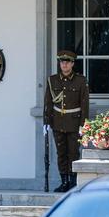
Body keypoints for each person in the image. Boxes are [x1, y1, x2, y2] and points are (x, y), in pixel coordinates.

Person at [44, 49, 89, 193]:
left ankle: (73, 182)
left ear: (72, 64)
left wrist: (83, 124)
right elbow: (48, 103)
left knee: (73, 153)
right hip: (58, 122)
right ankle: (64, 182)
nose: (64, 65)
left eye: (67, 62)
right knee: (61, 154)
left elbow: (84, 104)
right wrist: (46, 121)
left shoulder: (80, 81)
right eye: (62, 62)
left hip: (75, 123)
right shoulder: (52, 80)